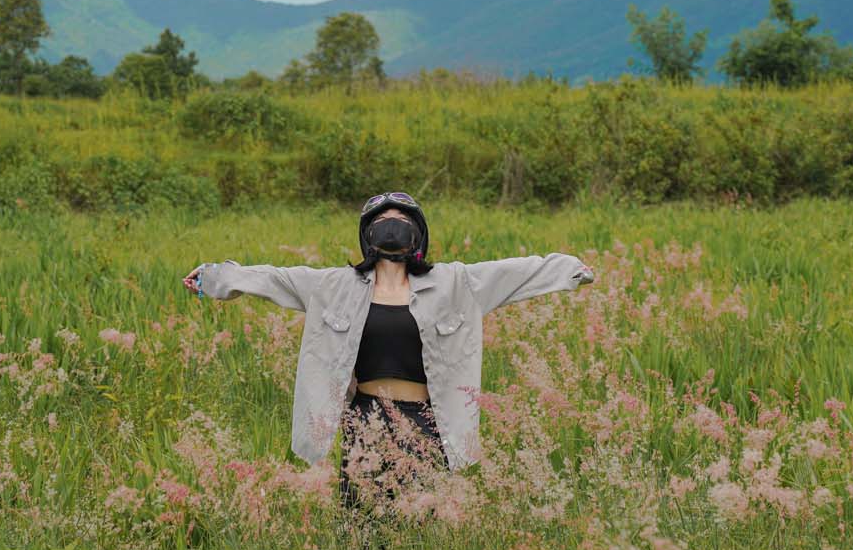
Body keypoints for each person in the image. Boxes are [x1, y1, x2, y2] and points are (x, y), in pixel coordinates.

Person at [182, 190, 595, 513]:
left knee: (421, 531)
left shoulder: (456, 283)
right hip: (364, 421)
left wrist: (570, 271)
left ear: (417, 233)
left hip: (427, 424)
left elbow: (518, 272)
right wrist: (216, 278)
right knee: (361, 525)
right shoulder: (332, 286)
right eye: (381, 220)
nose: (390, 225)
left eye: (400, 220)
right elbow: (272, 279)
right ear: (367, 235)